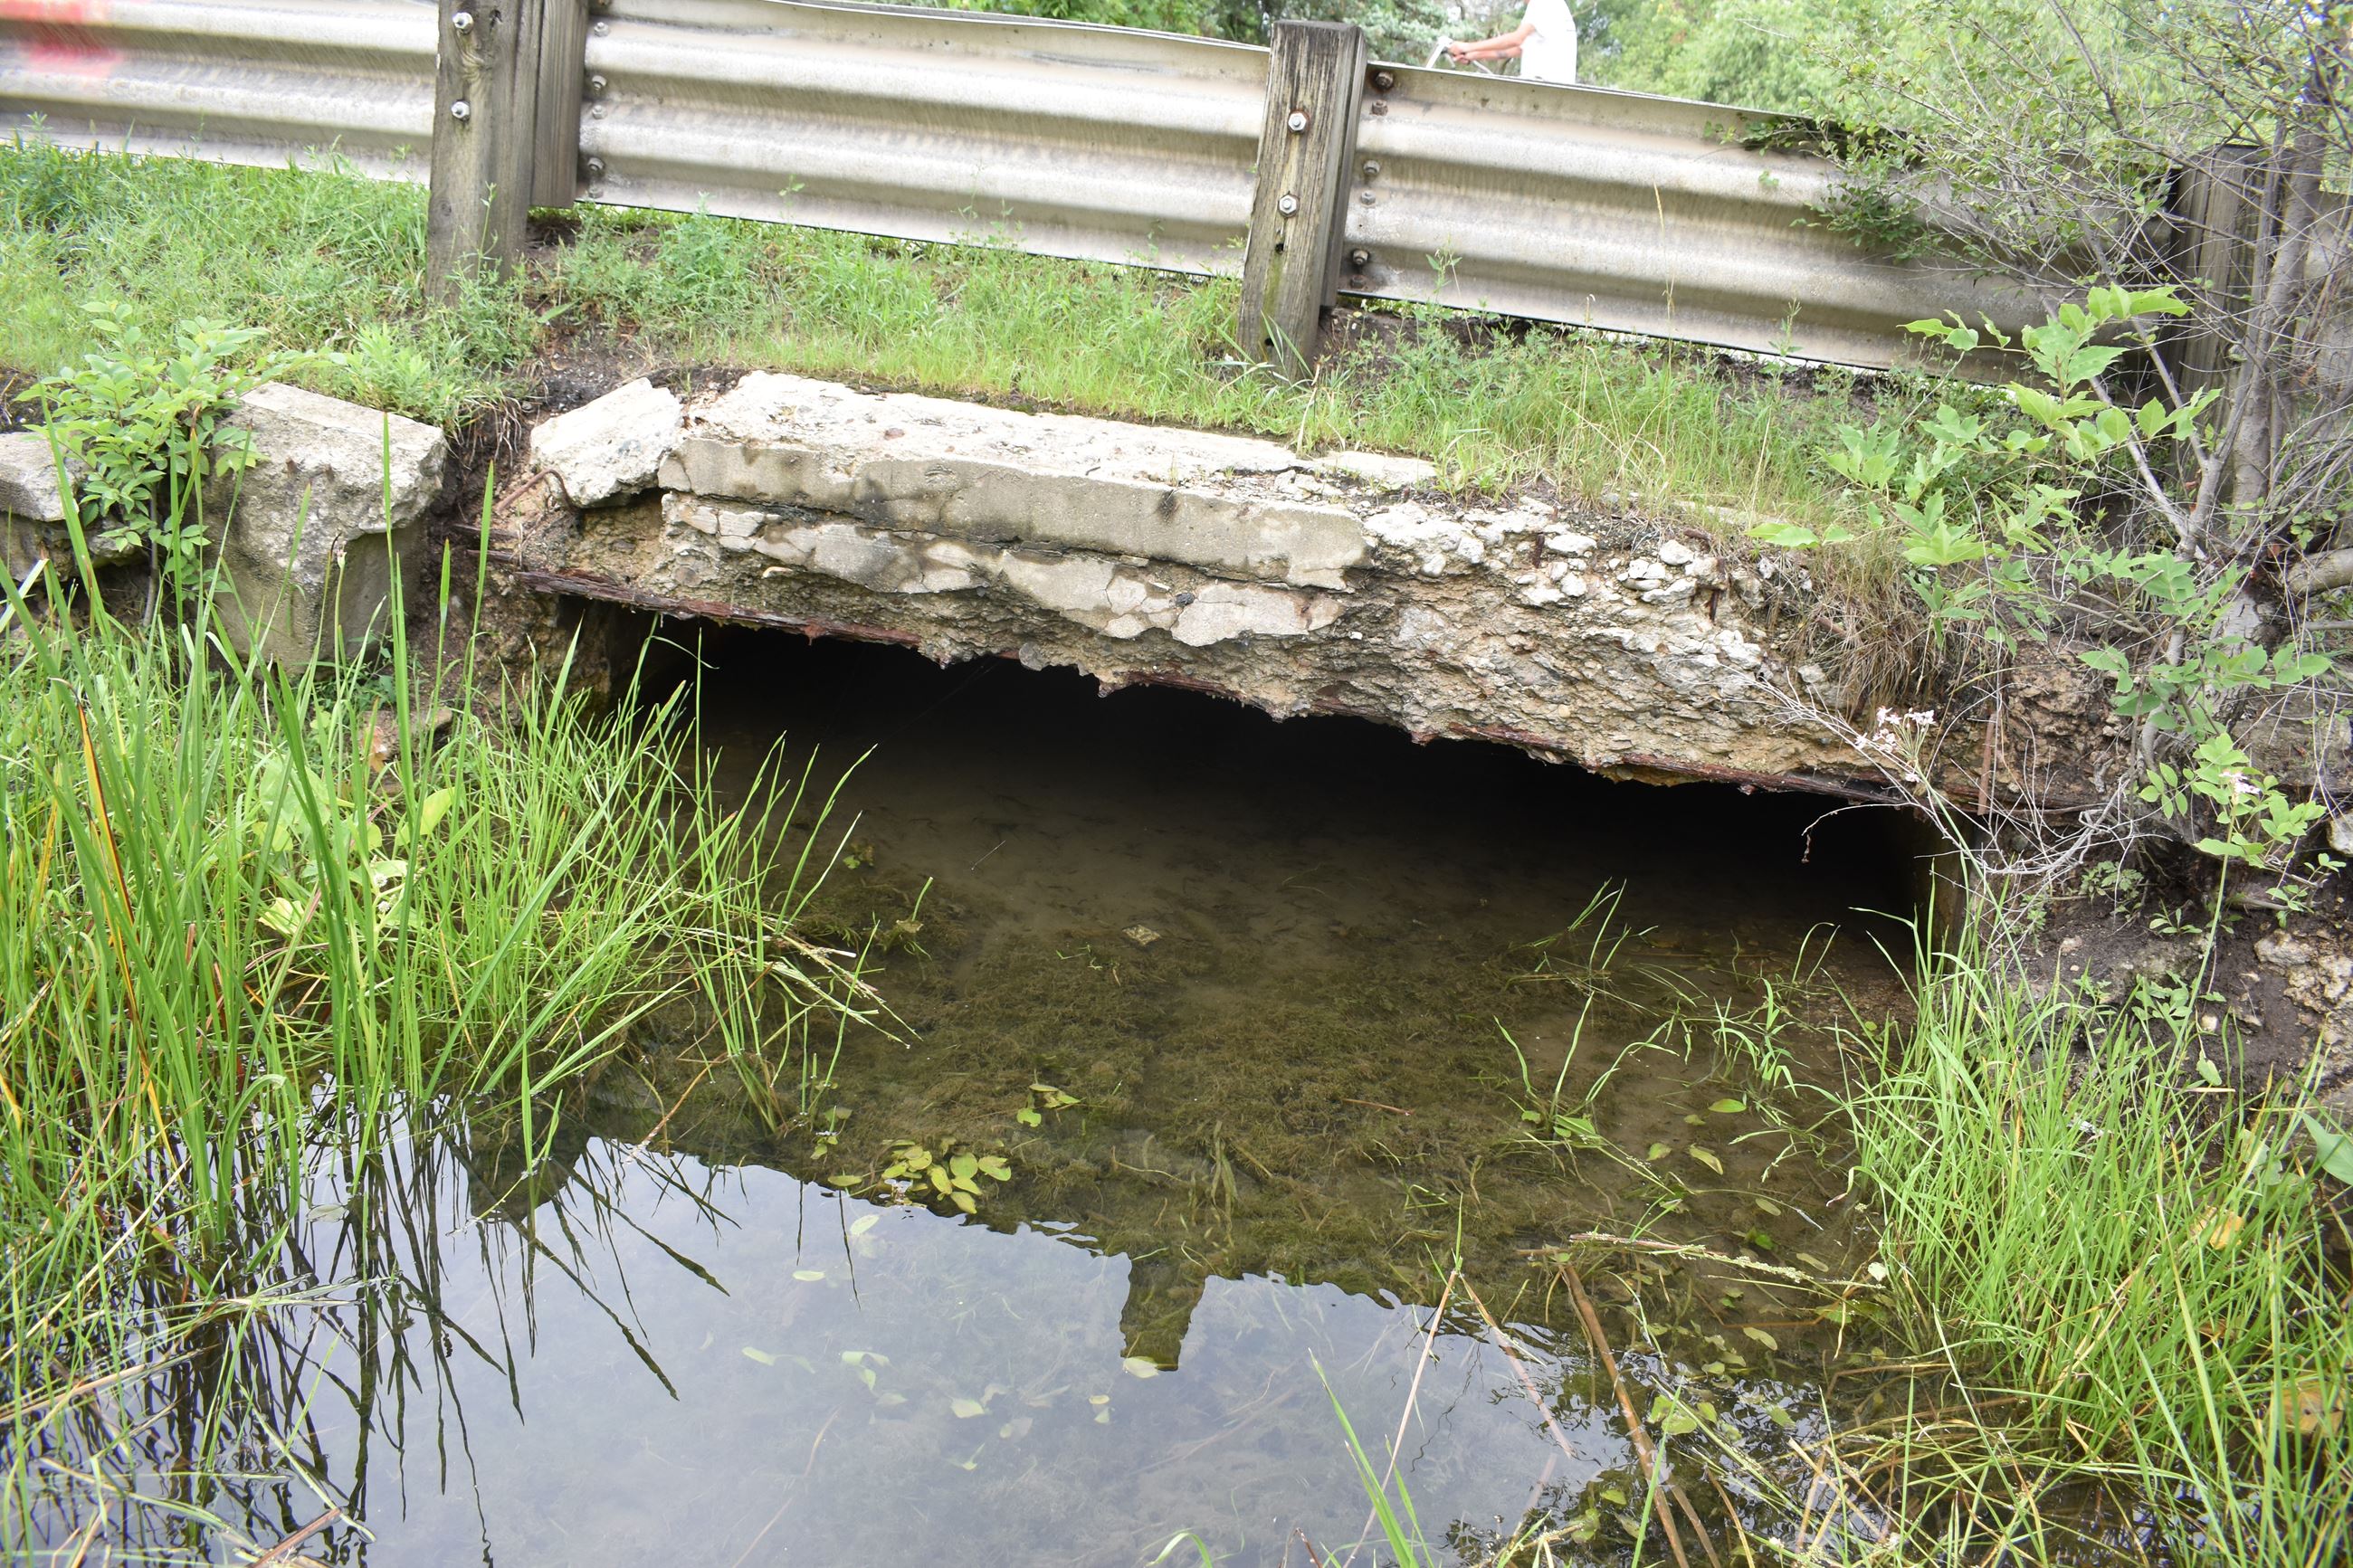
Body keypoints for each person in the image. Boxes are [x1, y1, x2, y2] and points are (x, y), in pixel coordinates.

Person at [1446, 0, 1577, 84]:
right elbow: (1519, 49)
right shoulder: (1555, 5)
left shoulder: (1541, 3)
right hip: (1552, 88)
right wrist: (1474, 55)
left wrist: (1467, 46)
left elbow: (1516, 39)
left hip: (1543, 87)